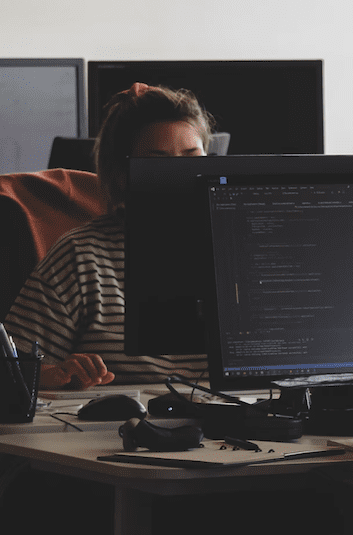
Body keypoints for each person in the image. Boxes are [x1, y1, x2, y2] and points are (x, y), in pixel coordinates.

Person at [3, 83, 212, 388]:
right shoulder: (82, 256)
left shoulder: (242, 246)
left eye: (192, 159)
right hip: (123, 429)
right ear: (120, 175)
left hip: (241, 423)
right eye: (157, 163)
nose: (179, 176)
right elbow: (9, 375)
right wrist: (51, 374)